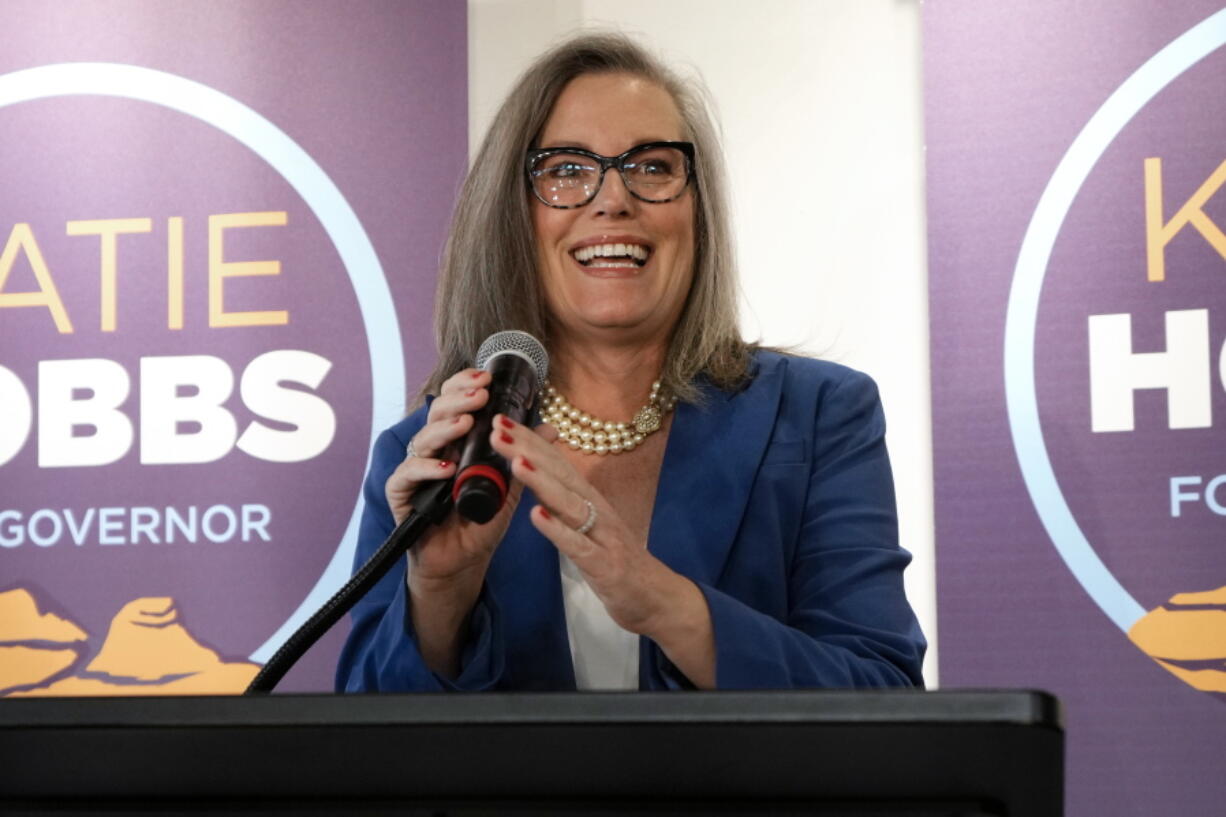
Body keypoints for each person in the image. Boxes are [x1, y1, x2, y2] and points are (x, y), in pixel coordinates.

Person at [335, 33, 925, 692]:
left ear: (697, 208)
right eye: (565, 169)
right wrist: (441, 589)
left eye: (651, 166)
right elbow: (372, 755)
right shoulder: (430, 453)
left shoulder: (818, 415)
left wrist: (659, 600)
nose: (612, 199)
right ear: (514, 216)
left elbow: (883, 694)